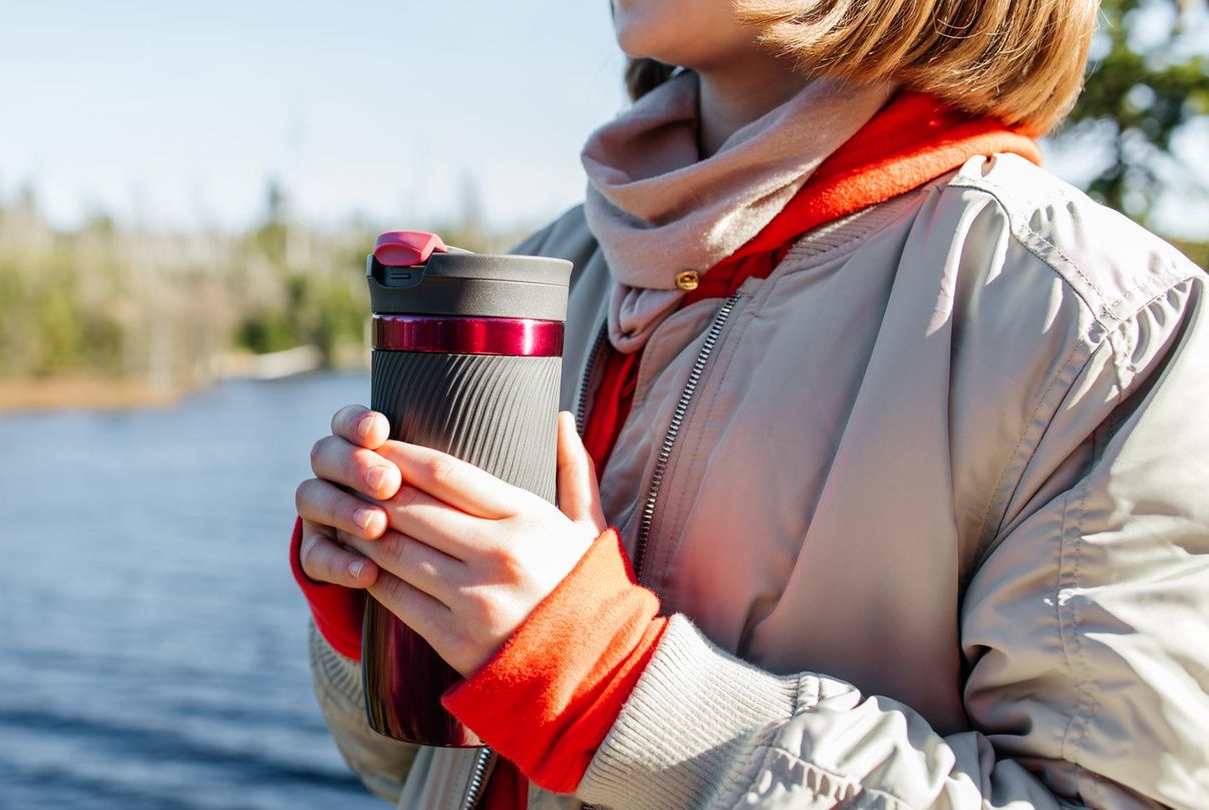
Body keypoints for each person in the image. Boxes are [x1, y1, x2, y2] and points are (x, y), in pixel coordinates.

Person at [291, 0, 1209, 807]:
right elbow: (399, 770)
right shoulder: (552, 267)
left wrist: (605, 687)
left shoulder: (1100, 328)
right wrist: (383, 621)